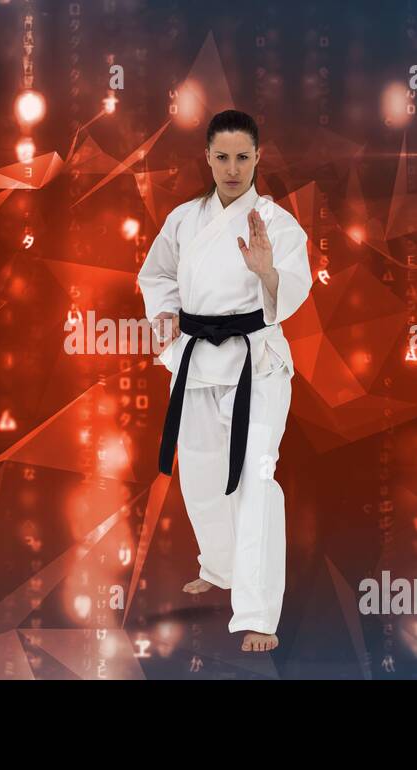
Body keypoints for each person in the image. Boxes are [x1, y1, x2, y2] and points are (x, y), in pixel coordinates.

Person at [137, 109, 312, 653]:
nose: (232, 168)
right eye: (222, 157)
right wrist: (166, 320)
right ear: (208, 159)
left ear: (258, 157)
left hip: (254, 363)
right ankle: (219, 566)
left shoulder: (278, 225)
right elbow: (157, 274)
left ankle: (258, 613)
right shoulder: (185, 219)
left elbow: (293, 292)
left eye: (243, 156)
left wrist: (267, 272)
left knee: (256, 481)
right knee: (203, 478)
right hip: (194, 359)